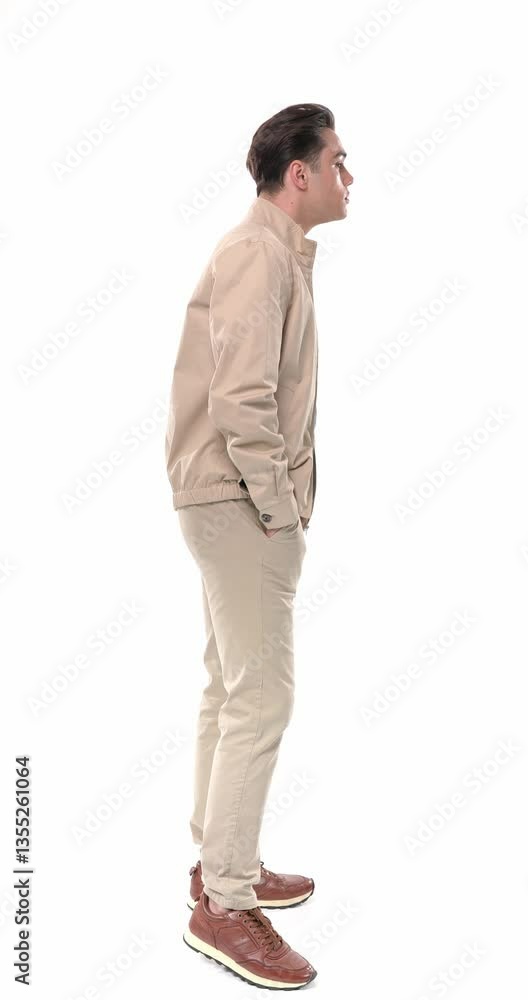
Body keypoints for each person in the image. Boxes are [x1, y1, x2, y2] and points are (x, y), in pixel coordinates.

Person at [165, 102, 353, 990]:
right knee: (262, 697)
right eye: (339, 161)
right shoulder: (257, 254)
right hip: (239, 501)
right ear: (300, 174)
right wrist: (281, 509)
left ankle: (220, 864)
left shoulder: (278, 255)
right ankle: (225, 904)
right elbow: (242, 400)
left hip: (233, 499)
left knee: (230, 686)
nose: (349, 177)